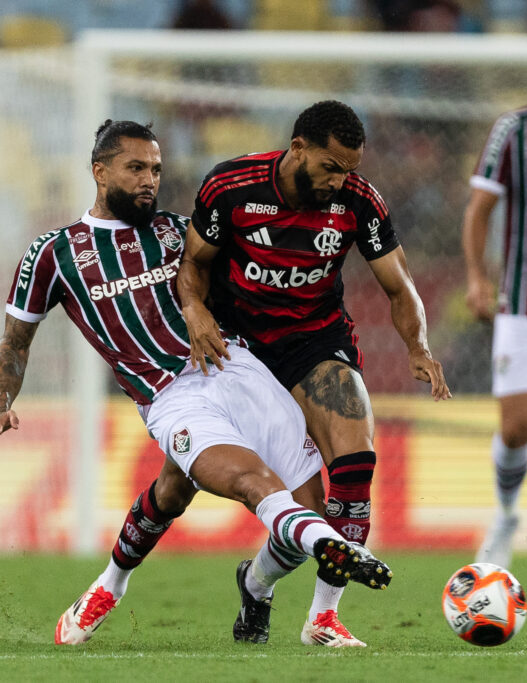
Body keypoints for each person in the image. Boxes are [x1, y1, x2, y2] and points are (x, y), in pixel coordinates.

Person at [0, 119, 392, 649]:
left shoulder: (176, 230)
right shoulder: (54, 253)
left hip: (239, 369)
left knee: (204, 496)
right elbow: (16, 341)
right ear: (99, 171)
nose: (149, 180)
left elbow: (251, 275)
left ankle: (259, 582)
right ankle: (111, 585)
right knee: (252, 483)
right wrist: (4, 396)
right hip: (172, 399)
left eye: (156, 169)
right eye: (135, 167)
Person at [176, 99, 451, 640]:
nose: (338, 181)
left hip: (314, 342)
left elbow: (400, 286)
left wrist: (418, 347)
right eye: (330, 167)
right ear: (297, 148)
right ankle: (252, 586)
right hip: (239, 348)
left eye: (349, 169)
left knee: (355, 466)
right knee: (265, 503)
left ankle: (323, 617)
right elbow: (193, 266)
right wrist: (194, 310)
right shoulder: (230, 186)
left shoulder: (359, 200)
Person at [463, 106, 527, 569]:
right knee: (515, 426)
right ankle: (506, 515)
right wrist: (476, 277)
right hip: (521, 301)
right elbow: (479, 209)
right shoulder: (513, 130)